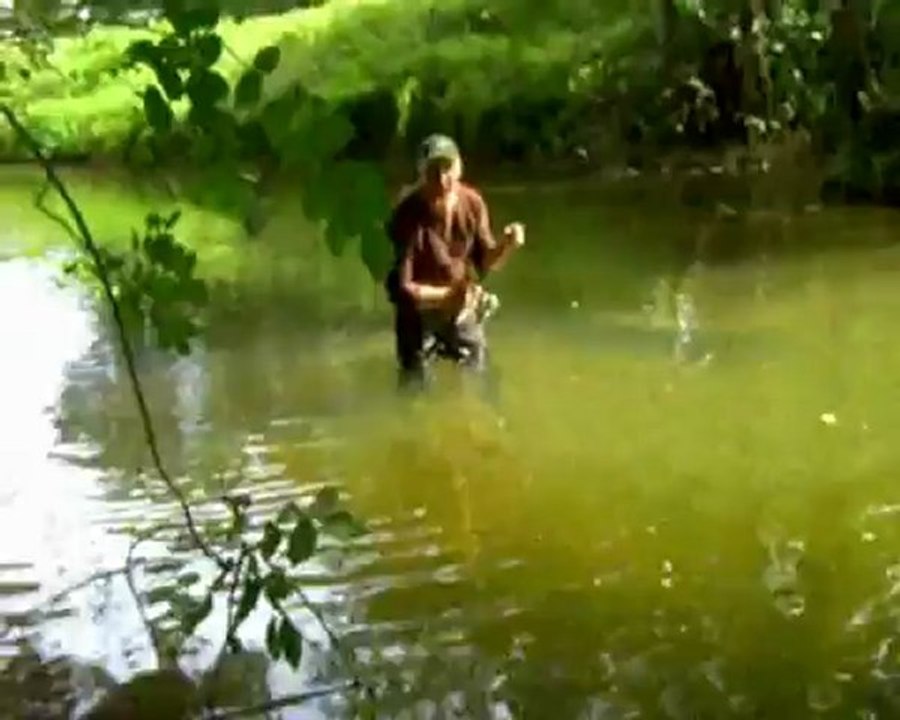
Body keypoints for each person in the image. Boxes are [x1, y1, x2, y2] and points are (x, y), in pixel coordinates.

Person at [384, 134, 525, 388]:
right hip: (417, 313)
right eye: (432, 171)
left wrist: (507, 244)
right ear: (421, 174)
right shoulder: (407, 214)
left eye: (447, 168)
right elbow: (406, 288)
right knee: (415, 387)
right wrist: (448, 295)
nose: (442, 178)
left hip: (458, 307)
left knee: (482, 378)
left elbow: (487, 263)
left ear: (459, 166)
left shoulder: (472, 203)